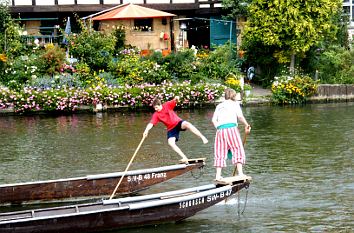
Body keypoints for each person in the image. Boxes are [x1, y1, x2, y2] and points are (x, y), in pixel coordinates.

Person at [143, 96, 208, 163]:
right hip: (171, 128)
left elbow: (175, 100)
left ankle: (202, 137)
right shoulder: (156, 115)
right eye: (154, 108)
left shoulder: (167, 105)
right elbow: (151, 123)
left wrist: (177, 98)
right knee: (171, 143)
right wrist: (146, 130)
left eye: (156, 107)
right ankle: (184, 157)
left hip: (178, 123)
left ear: (160, 105)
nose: (156, 109)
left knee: (187, 124)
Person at [212, 88, 251, 180]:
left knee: (220, 151)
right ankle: (240, 173)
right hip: (231, 128)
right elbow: (240, 117)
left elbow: (213, 120)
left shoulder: (219, 106)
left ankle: (218, 175)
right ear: (233, 95)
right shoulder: (235, 104)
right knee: (237, 148)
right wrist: (246, 125)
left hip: (220, 130)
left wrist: (218, 127)